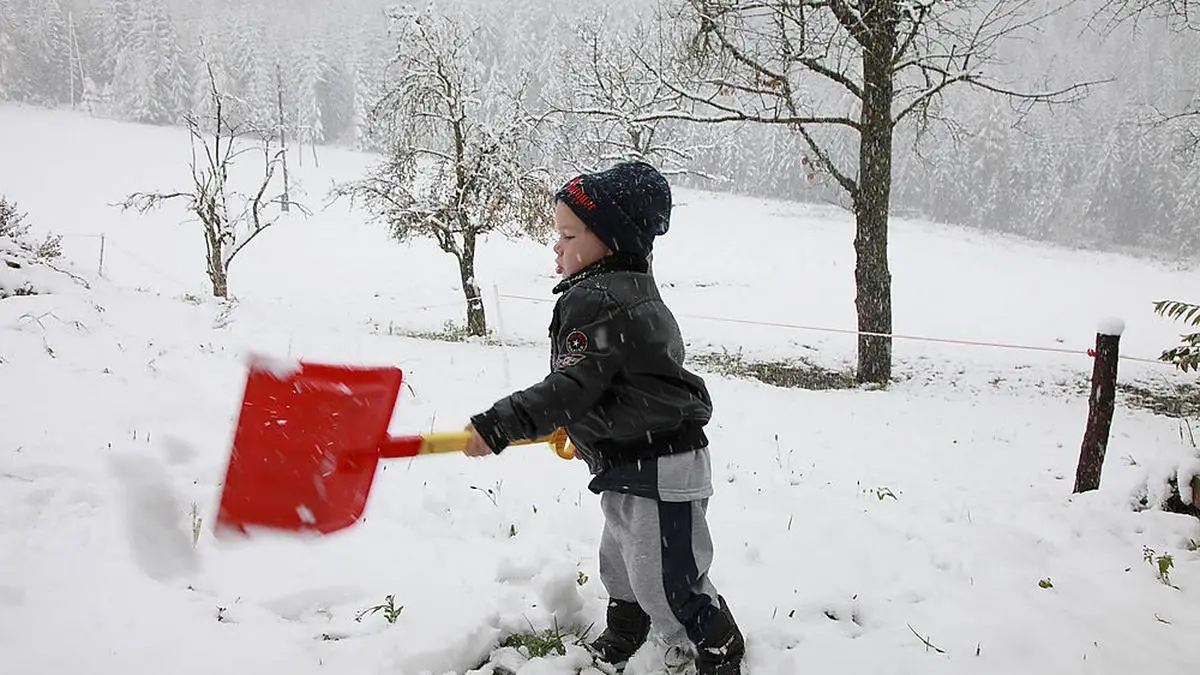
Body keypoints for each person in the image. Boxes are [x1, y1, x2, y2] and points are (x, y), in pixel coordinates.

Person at [463, 161, 745, 674]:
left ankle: (717, 647)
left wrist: (501, 423)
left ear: (610, 242)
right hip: (632, 461)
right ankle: (627, 629)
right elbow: (610, 385)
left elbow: (571, 386)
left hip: (659, 465)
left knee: (666, 579)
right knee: (621, 562)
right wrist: (578, 422)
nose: (557, 247)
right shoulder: (625, 292)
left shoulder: (602, 300)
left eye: (568, 235)